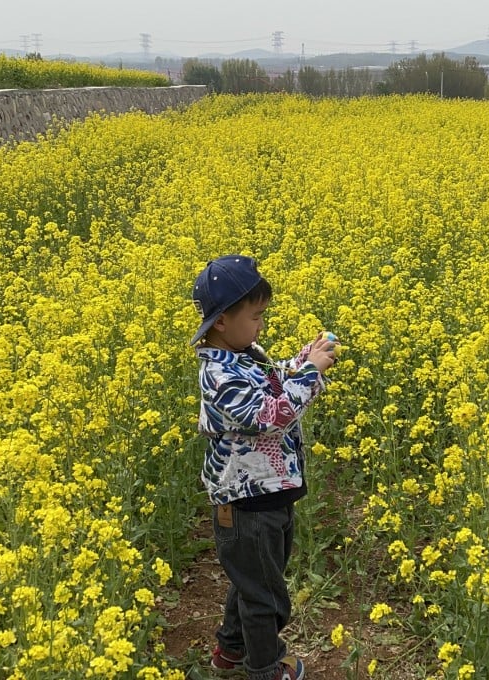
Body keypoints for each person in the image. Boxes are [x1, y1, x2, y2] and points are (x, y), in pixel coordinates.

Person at [190, 254, 338, 680]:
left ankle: (231, 652)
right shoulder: (219, 373)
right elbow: (271, 414)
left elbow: (273, 378)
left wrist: (302, 360)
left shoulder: (243, 355)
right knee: (266, 596)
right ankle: (266, 667)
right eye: (256, 316)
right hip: (246, 505)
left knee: (253, 581)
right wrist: (310, 374)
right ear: (221, 321)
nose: (261, 325)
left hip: (268, 495)